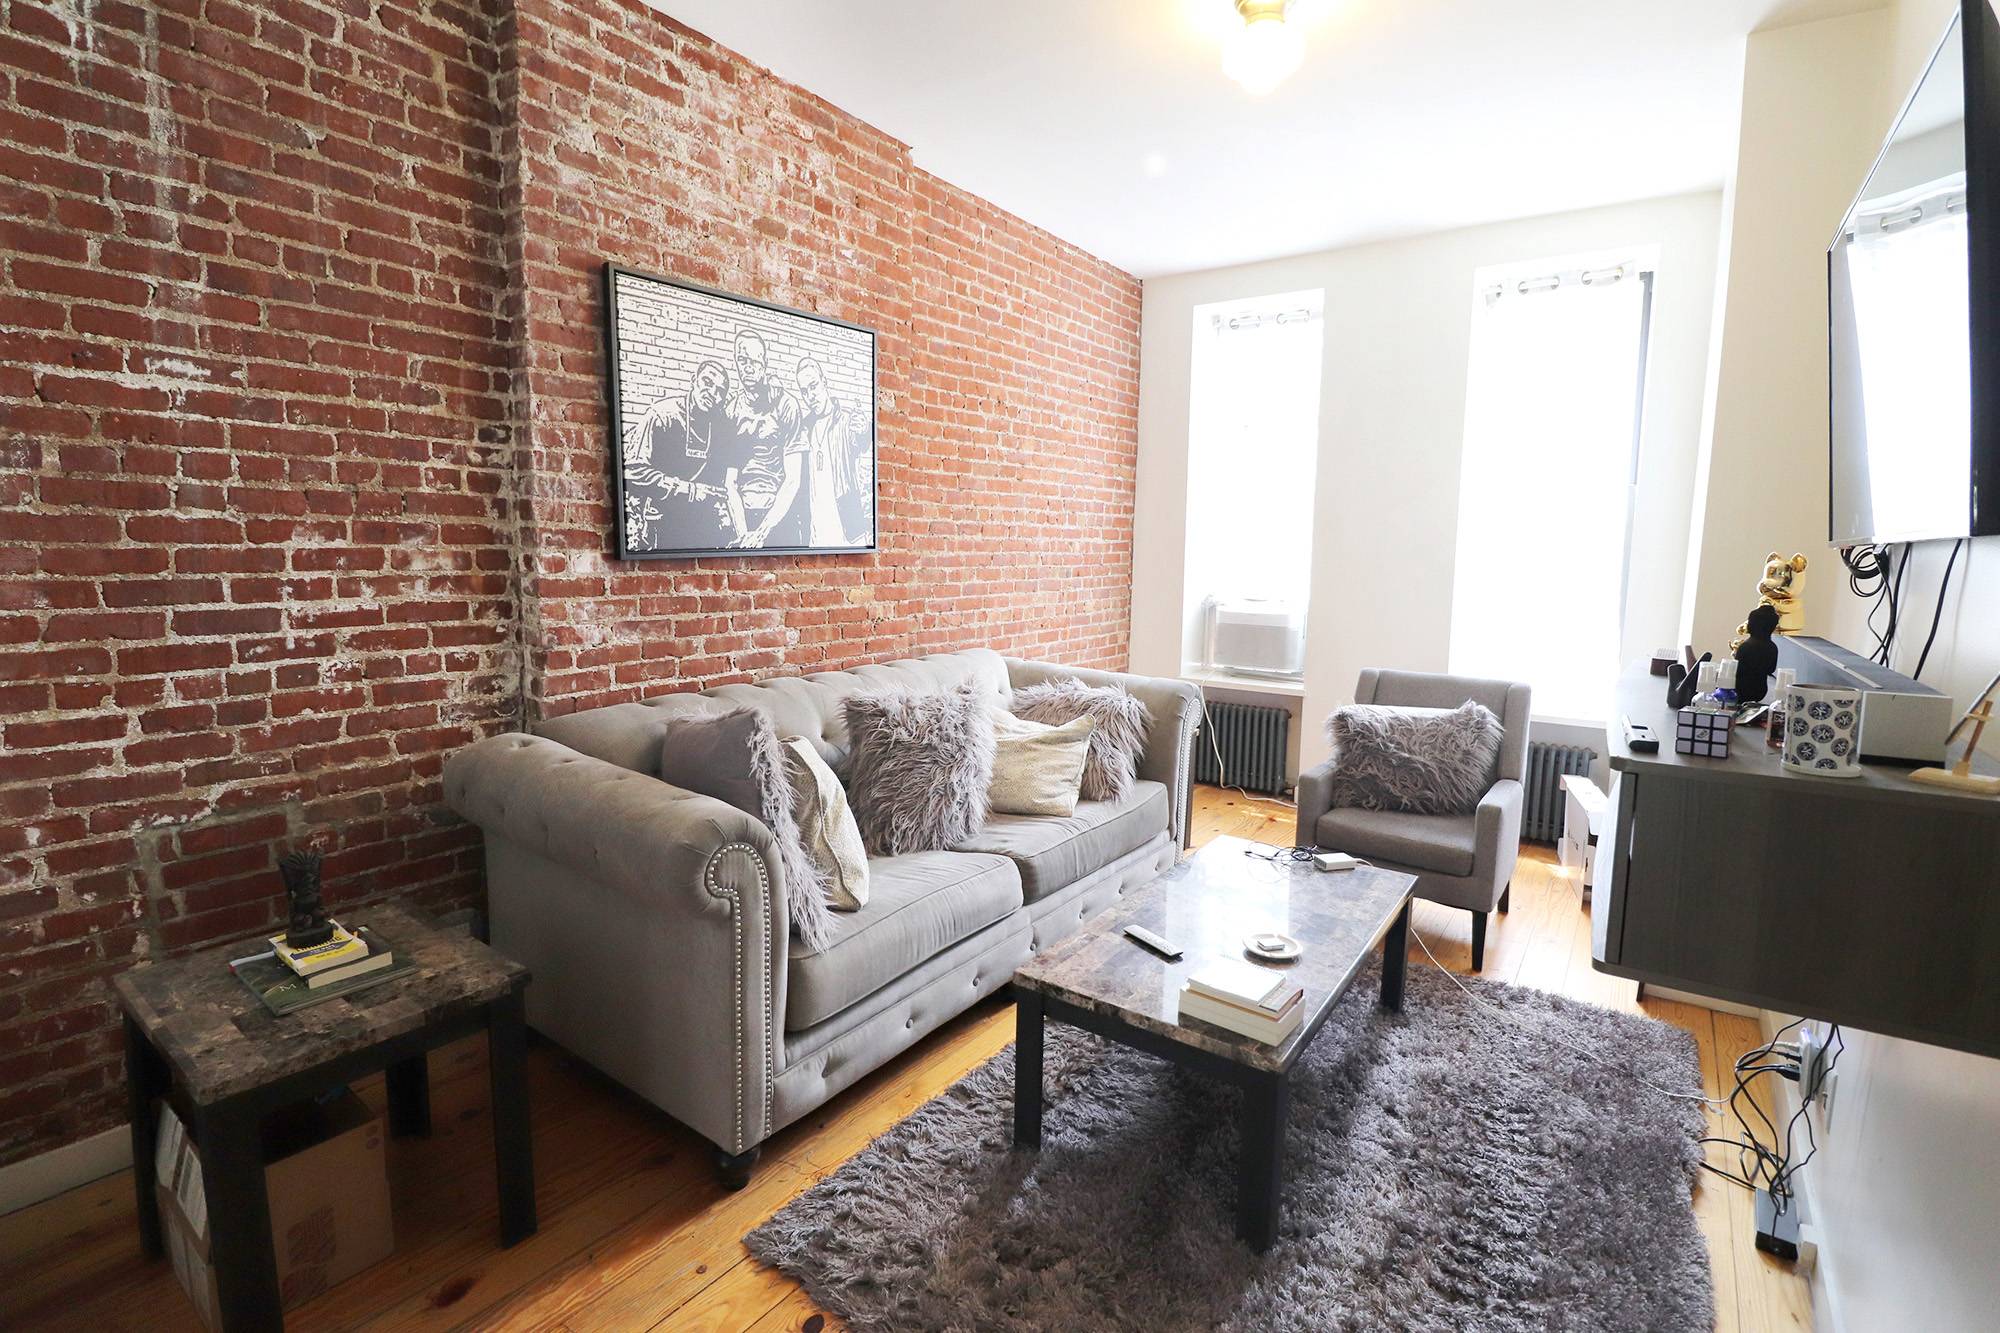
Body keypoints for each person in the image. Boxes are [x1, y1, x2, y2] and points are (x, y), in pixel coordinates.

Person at [623, 360, 734, 551]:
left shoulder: (722, 426)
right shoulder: (662, 415)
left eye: (720, 391)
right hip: (662, 523)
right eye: (707, 382)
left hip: (704, 527)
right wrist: (688, 490)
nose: (713, 393)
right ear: (694, 380)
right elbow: (632, 471)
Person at [723, 330, 806, 549]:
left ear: (765, 363)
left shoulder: (787, 405)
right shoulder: (731, 410)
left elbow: (793, 479)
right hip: (742, 516)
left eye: (754, 361)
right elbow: (730, 481)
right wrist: (744, 534)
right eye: (742, 360)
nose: (748, 367)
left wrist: (762, 532)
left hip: (780, 516)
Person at [794, 357, 869, 547]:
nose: (810, 395)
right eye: (804, 391)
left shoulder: (845, 421)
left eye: (814, 386)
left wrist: (864, 429)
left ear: (824, 382)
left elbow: (861, 441)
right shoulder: (804, 427)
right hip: (814, 533)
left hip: (848, 530)